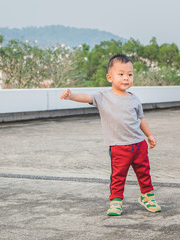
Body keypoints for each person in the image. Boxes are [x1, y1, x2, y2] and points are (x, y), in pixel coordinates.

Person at [60, 54, 161, 216]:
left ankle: (147, 197)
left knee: (144, 173)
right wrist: (71, 96)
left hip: (139, 144)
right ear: (110, 77)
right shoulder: (103, 97)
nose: (126, 78)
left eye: (130, 74)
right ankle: (116, 202)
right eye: (120, 74)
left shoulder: (134, 99)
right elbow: (86, 97)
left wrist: (149, 135)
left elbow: (141, 119)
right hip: (118, 147)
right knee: (118, 176)